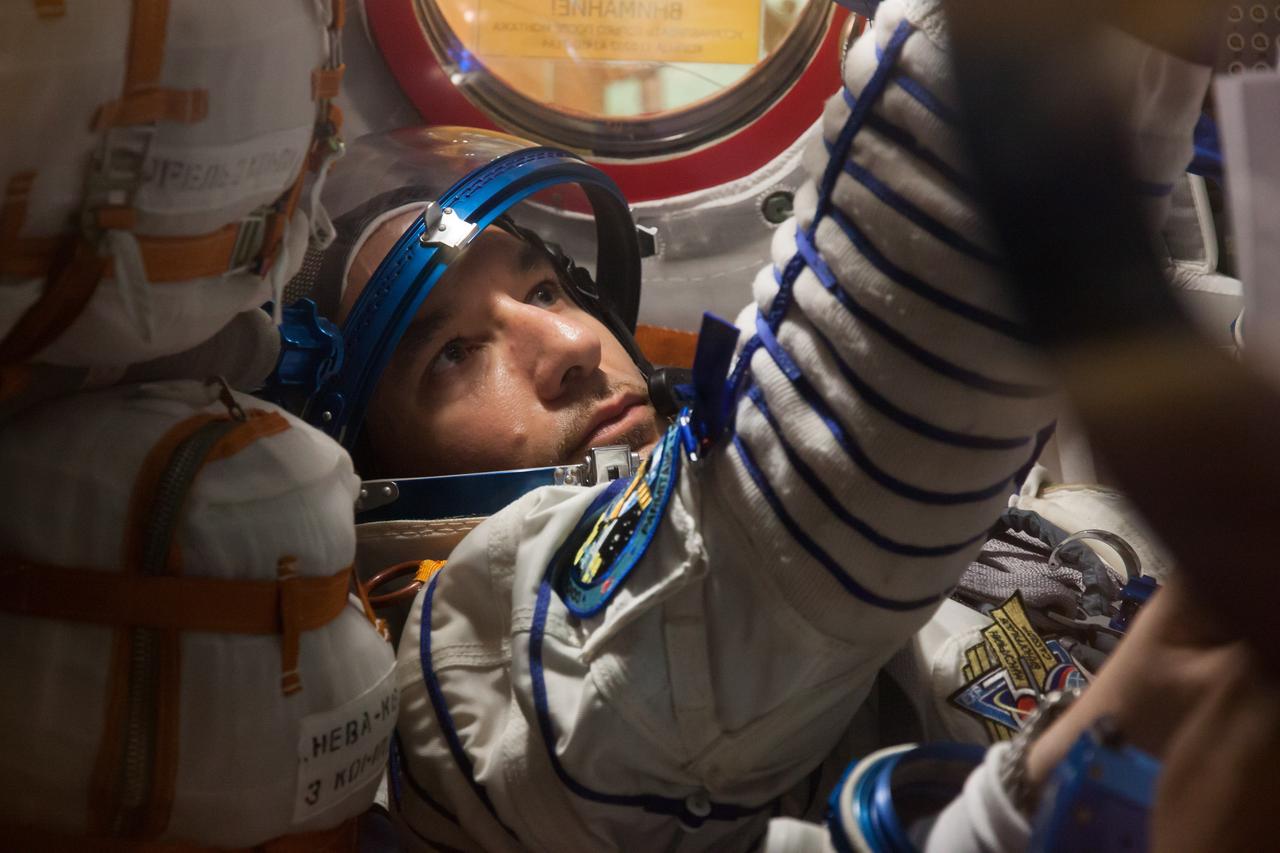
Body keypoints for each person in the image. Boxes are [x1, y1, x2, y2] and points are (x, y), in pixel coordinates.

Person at [291, 1, 1212, 847]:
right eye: (452, 353)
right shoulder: (479, 682)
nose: (571, 339)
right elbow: (818, 504)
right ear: (374, 466)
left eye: (544, 288)